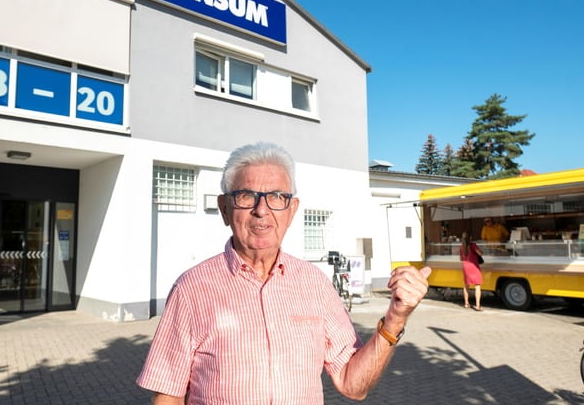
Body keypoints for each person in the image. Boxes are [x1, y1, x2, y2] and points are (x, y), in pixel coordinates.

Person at [137, 141, 432, 404]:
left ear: (291, 211)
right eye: (245, 196)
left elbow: (353, 385)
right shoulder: (192, 288)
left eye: (277, 197)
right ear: (225, 209)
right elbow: (168, 395)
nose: (261, 210)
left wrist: (395, 318)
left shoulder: (314, 284)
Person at [459, 232, 483, 311]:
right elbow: (480, 253)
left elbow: (461, 259)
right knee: (477, 285)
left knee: (466, 285)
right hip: (474, 266)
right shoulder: (473, 245)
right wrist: (481, 252)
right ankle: (478, 305)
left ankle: (466, 303)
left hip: (465, 266)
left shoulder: (461, 247)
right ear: (470, 238)